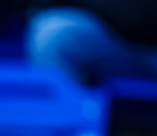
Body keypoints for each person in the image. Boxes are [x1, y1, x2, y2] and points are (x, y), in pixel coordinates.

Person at [27, 0, 157, 87]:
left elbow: (134, 17)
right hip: (114, 33)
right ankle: (65, 124)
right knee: (52, 33)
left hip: (148, 42)